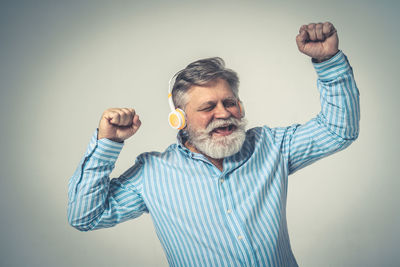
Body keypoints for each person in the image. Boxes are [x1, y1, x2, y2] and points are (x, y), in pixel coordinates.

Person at [68, 22, 360, 266]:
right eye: (208, 106)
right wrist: (107, 144)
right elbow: (85, 216)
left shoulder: (271, 146)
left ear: (240, 107)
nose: (223, 113)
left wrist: (328, 61)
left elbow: (337, 130)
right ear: (179, 119)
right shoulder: (152, 173)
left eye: (229, 102)